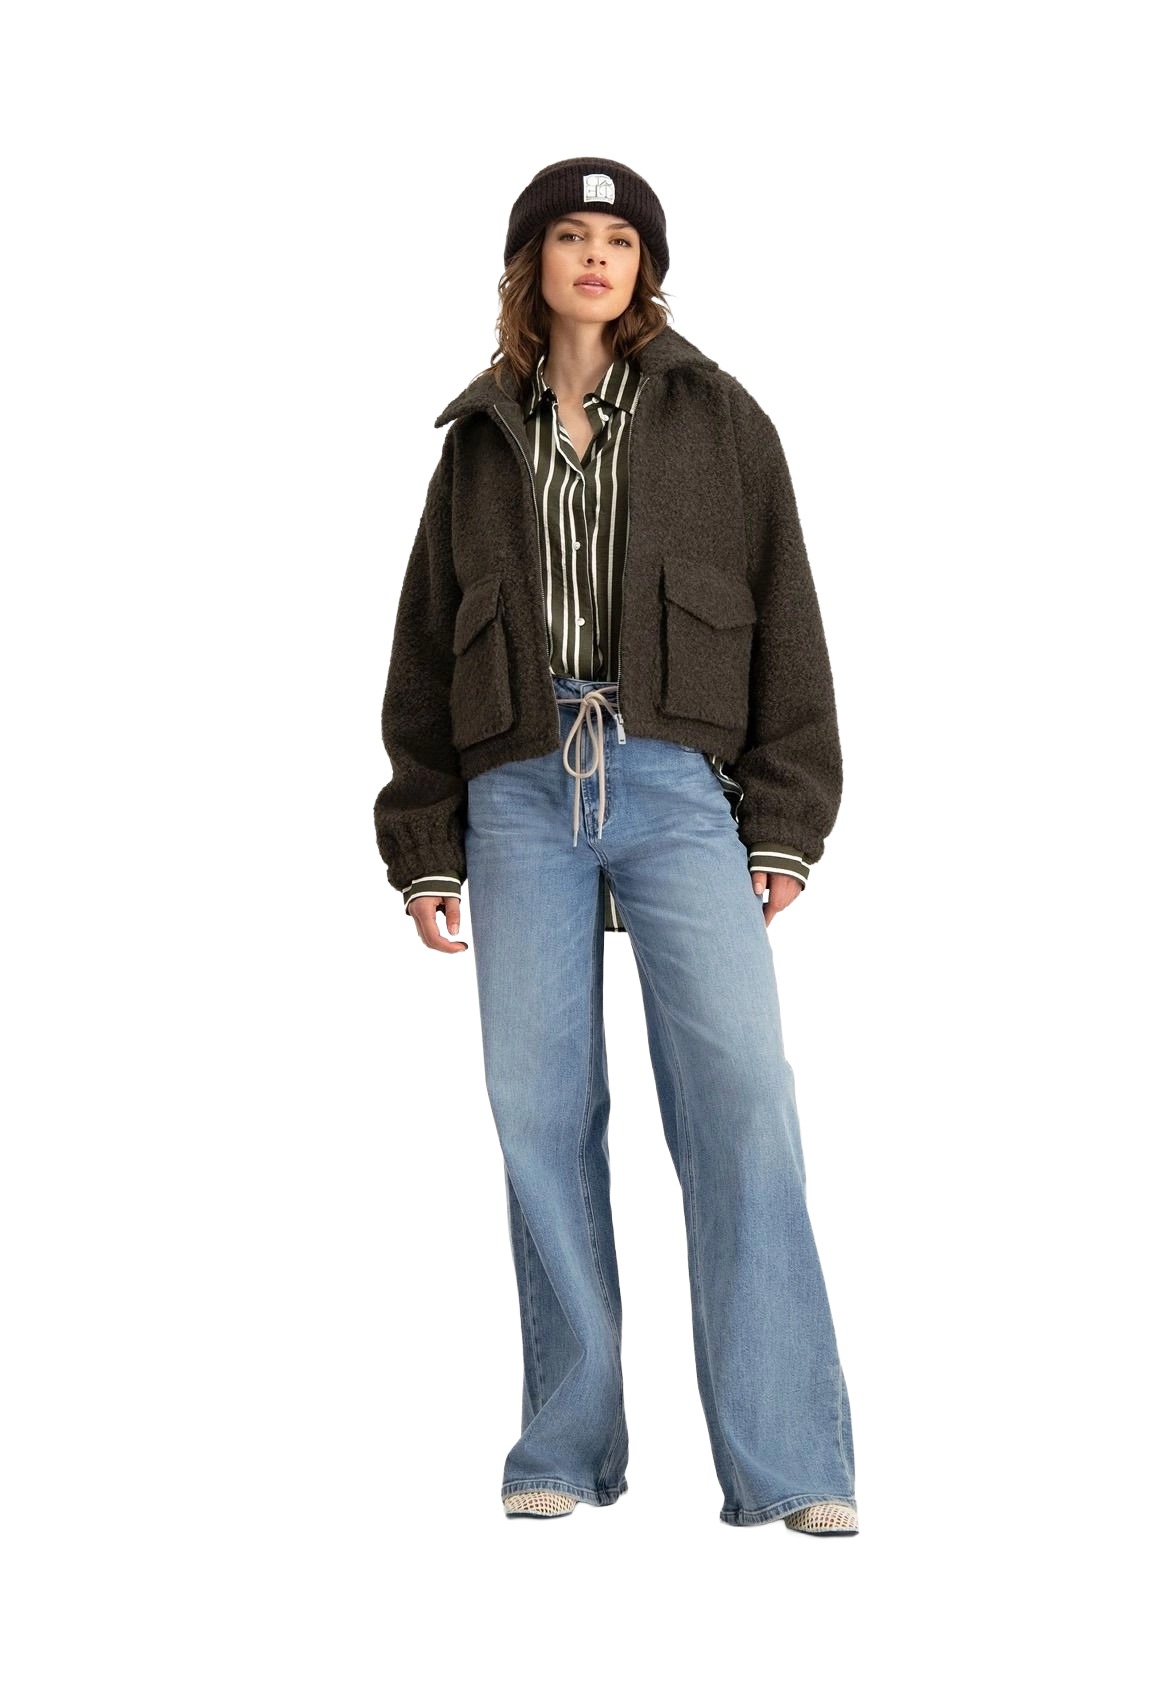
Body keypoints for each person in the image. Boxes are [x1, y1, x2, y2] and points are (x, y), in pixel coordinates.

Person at [374, 157, 859, 1535]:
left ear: (647, 267)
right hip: (518, 795)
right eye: (571, 236)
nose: (597, 257)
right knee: (540, 1116)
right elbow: (424, 647)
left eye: (621, 239)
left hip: (674, 784)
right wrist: (425, 838)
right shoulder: (480, 440)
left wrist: (785, 820)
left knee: (742, 1100)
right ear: (531, 263)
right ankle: (564, 1443)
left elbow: (787, 618)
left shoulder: (720, 420)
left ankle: (792, 1464)